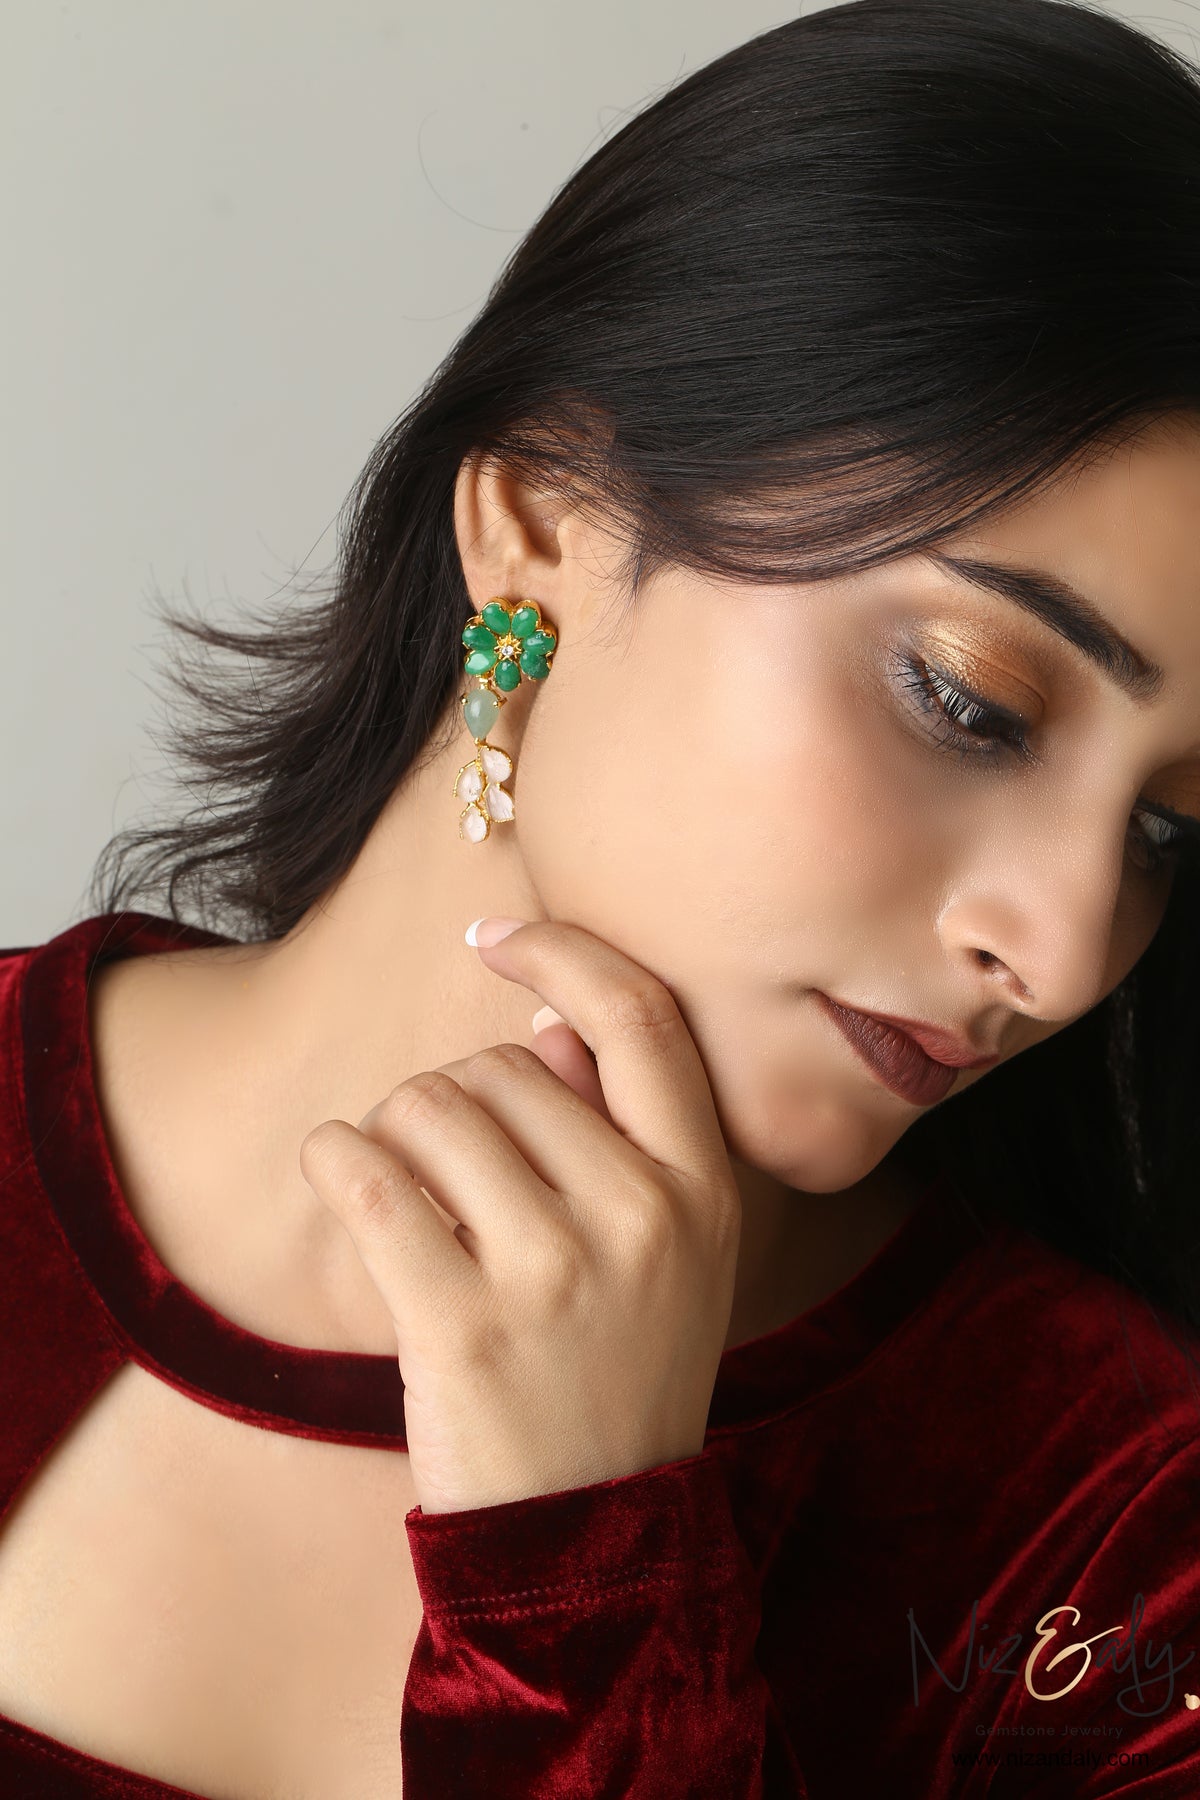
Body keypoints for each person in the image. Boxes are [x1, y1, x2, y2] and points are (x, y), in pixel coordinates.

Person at [3, 0, 1200, 1792]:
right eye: (971, 702)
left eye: (1167, 832)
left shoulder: (1112, 1541)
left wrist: (586, 1568)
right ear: (543, 519)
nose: (1061, 948)